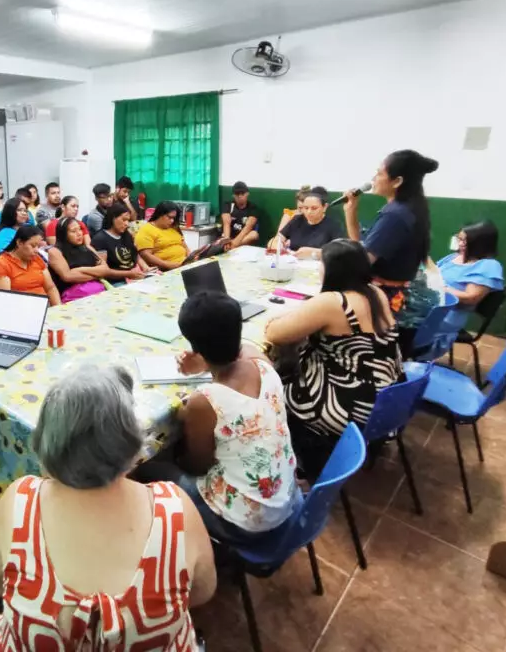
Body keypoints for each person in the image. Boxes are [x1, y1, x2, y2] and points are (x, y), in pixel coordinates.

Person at [0, 366, 216, 649]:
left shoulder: (19, 500)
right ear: (130, 440)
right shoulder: (175, 508)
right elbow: (202, 592)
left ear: (47, 438)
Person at [264, 239, 403, 477]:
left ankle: (291, 457)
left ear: (334, 269)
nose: (319, 267)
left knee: (270, 384)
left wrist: (283, 319)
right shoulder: (376, 292)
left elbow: (274, 334)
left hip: (350, 405)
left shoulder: (332, 302)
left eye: (321, 262)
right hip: (386, 397)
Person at [172, 291, 300, 540]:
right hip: (285, 500)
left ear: (194, 346)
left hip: (247, 523)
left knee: (156, 472)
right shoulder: (264, 365)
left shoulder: (205, 400)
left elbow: (199, 465)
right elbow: (246, 351)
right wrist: (207, 362)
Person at [343, 149, 440, 355]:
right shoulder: (409, 207)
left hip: (395, 308)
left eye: (379, 174)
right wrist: (351, 211)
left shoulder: (395, 215)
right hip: (402, 300)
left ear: (397, 181)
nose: (374, 179)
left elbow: (362, 261)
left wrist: (328, 261)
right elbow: (361, 247)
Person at [48, 218, 142, 302]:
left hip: (99, 291)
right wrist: (97, 275)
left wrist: (80, 270)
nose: (79, 233)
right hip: (74, 296)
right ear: (63, 234)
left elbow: (105, 269)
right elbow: (68, 277)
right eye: (73, 231)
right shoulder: (55, 252)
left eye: (80, 229)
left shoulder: (88, 248)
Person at [436, 221, 504, 326]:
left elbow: (470, 298)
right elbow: (432, 273)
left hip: (448, 316)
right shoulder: (453, 257)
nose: (461, 244)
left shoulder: (489, 266)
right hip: (431, 305)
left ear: (481, 244)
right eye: (459, 239)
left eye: (466, 241)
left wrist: (439, 288)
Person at [0, 226, 60, 306]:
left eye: (38, 247)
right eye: (32, 246)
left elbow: (50, 288)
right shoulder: (0, 265)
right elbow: (4, 302)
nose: (36, 250)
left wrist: (58, 308)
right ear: (19, 243)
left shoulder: (36, 259)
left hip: (44, 307)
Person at [278, 186, 344, 258]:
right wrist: (279, 245)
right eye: (306, 208)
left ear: (324, 207)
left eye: (314, 208)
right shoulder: (297, 220)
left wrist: (314, 253)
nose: (309, 212)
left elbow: (339, 251)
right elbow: (278, 239)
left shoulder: (333, 225)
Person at [90, 202, 149, 274]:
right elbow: (103, 271)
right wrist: (129, 274)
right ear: (113, 218)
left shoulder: (127, 234)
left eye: (128, 220)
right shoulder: (100, 239)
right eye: (124, 220)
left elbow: (135, 254)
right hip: (117, 280)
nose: (127, 224)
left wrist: (145, 267)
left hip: (133, 275)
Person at [135, 201, 188, 270]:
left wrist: (190, 257)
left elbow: (185, 246)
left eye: (174, 218)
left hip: (184, 264)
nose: (172, 221)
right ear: (160, 214)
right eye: (170, 217)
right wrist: (167, 265)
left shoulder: (173, 228)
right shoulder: (146, 230)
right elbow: (146, 255)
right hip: (167, 268)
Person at [221, 181, 259, 248]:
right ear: (233, 195)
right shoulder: (228, 205)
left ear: (247, 194)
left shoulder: (253, 208)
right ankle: (228, 245)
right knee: (223, 237)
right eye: (237, 194)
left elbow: (248, 227)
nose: (240, 196)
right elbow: (226, 223)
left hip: (243, 237)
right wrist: (227, 241)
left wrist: (234, 243)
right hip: (230, 236)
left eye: (242, 193)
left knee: (254, 234)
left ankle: (232, 246)